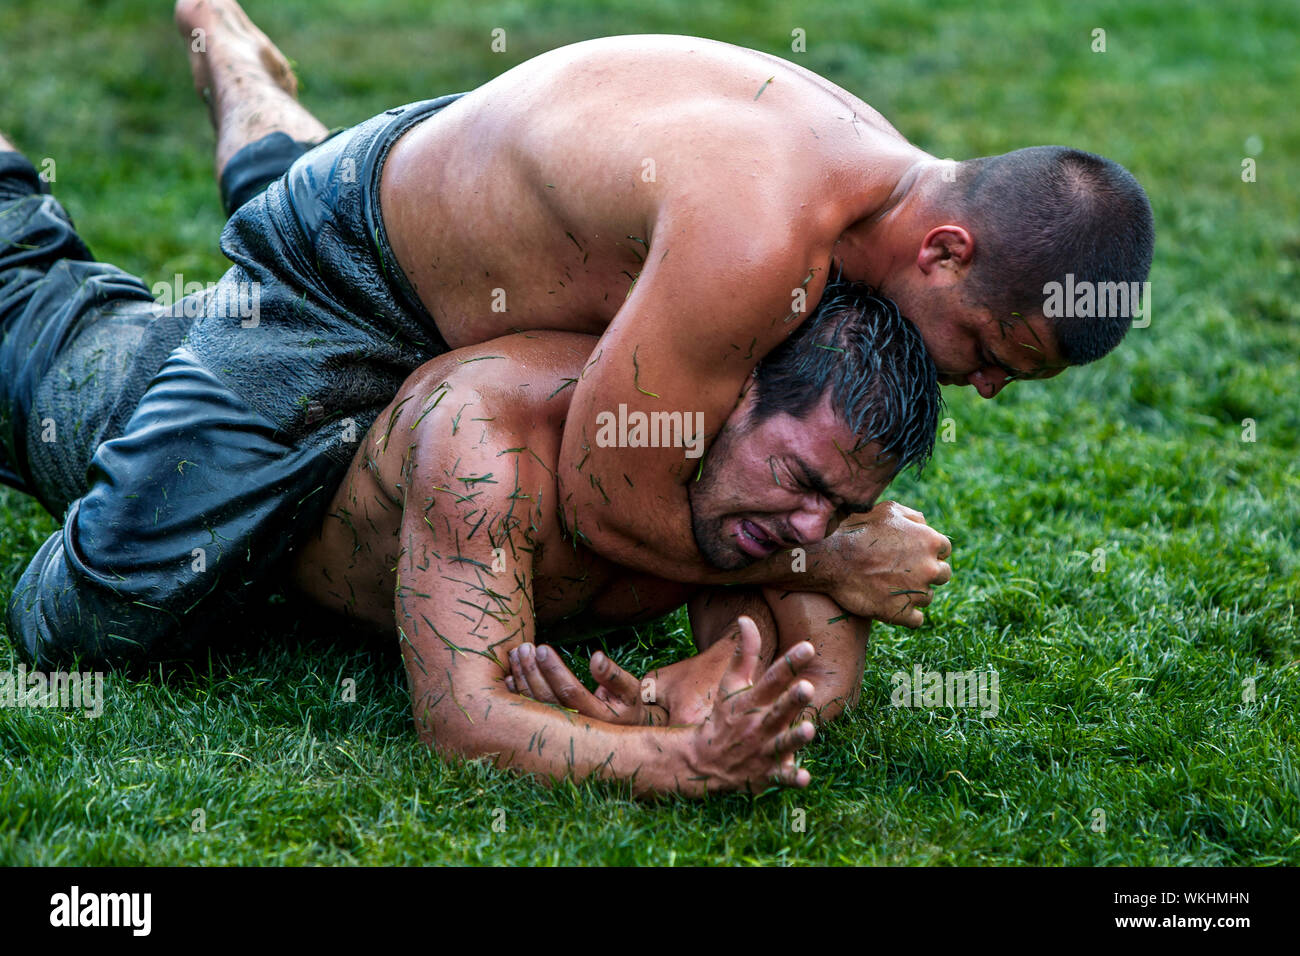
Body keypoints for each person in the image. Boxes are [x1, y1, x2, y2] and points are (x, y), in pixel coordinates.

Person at [2, 0, 1151, 669]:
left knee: (324, 199)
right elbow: (611, 493)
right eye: (996, 350)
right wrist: (822, 551)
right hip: (353, 277)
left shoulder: (872, 198)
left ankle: (247, 84)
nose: (985, 386)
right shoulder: (762, 238)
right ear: (945, 250)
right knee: (98, 611)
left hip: (431, 194)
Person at [288, 280, 943, 795]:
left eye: (843, 505)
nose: (811, 526)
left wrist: (682, 701)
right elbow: (463, 721)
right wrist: (687, 758)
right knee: (281, 193)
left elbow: (819, 679)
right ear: (736, 391)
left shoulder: (782, 489)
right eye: (798, 476)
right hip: (303, 406)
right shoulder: (485, 438)